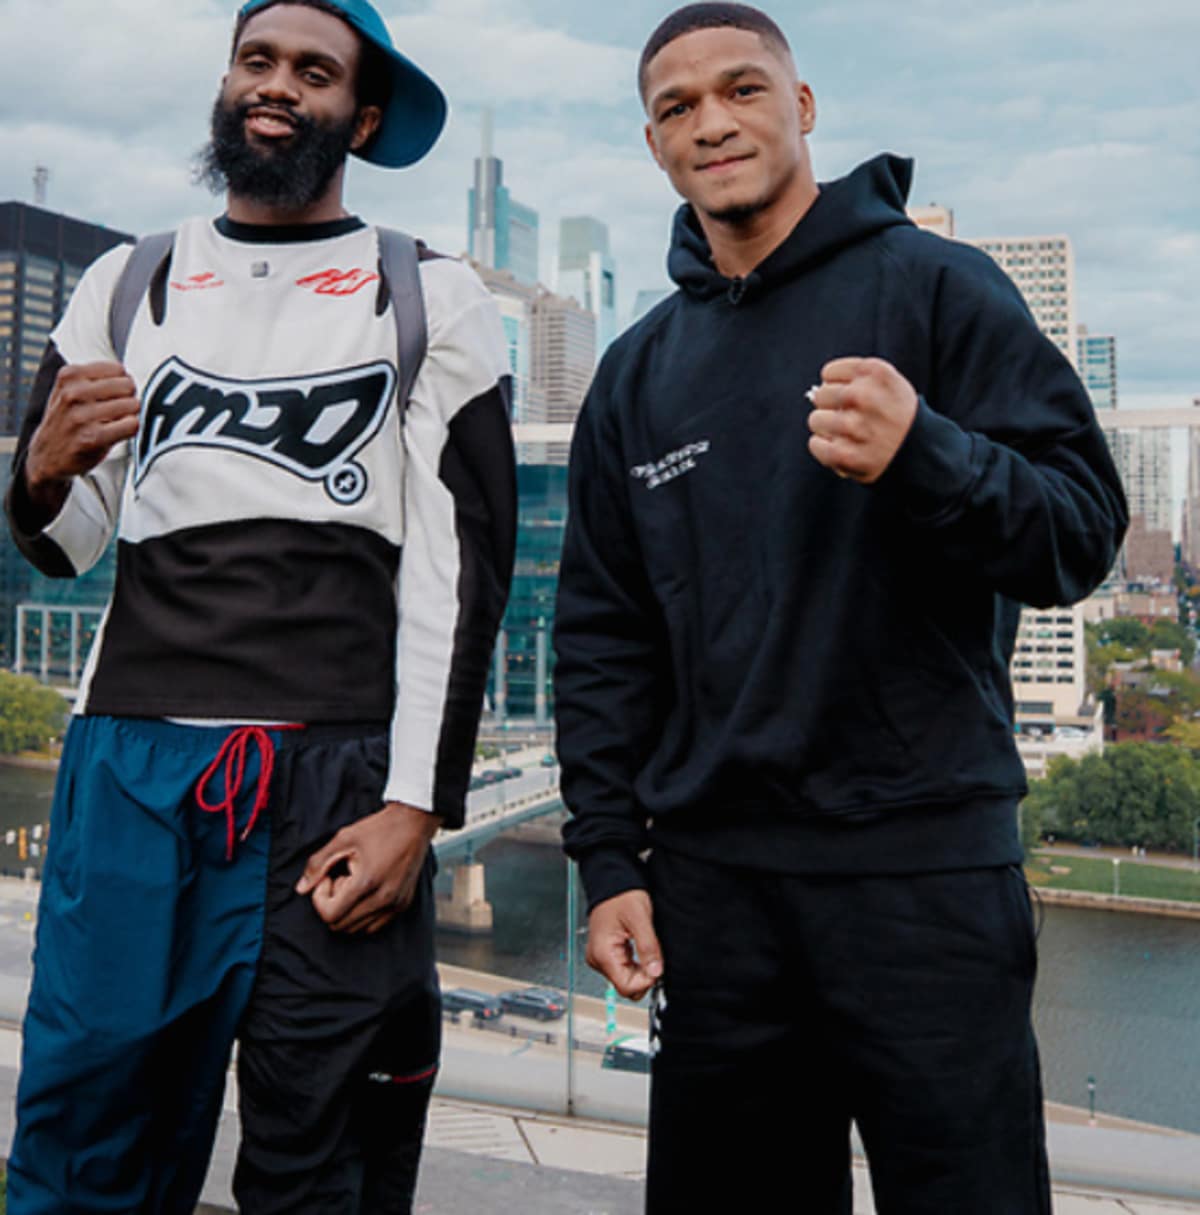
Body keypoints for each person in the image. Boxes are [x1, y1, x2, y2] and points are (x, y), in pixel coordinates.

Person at [553, 4, 1126, 1212]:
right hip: (714, 895)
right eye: (677, 107)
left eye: (742, 89)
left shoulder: (938, 290)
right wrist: (610, 860)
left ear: (802, 108)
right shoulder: (636, 373)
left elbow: (1079, 535)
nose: (713, 121)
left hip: (923, 874)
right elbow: (604, 638)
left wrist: (929, 454)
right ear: (654, 145)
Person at [4, 1, 515, 1211]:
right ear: (228, 84)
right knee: (86, 1147)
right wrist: (39, 471)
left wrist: (414, 807)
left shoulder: (431, 295)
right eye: (257, 60)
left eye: (314, 71)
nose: (278, 85)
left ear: (363, 114)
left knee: (320, 1161)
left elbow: (462, 568)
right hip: (131, 771)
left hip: (334, 782)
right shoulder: (127, 281)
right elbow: (69, 546)